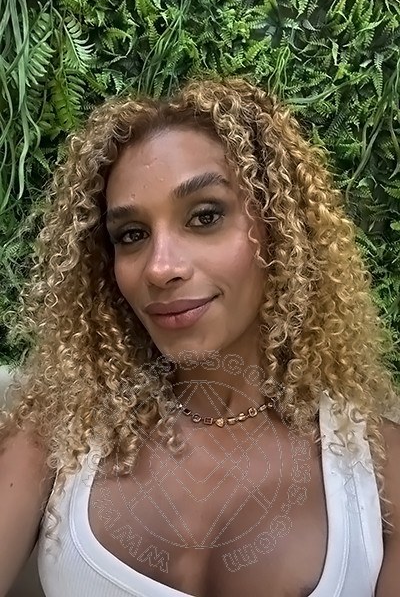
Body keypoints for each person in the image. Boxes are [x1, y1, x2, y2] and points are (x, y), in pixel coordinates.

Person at [0, 76, 399, 597]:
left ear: (280, 230)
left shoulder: (379, 466)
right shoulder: (58, 433)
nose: (160, 267)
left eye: (205, 216)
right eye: (132, 235)